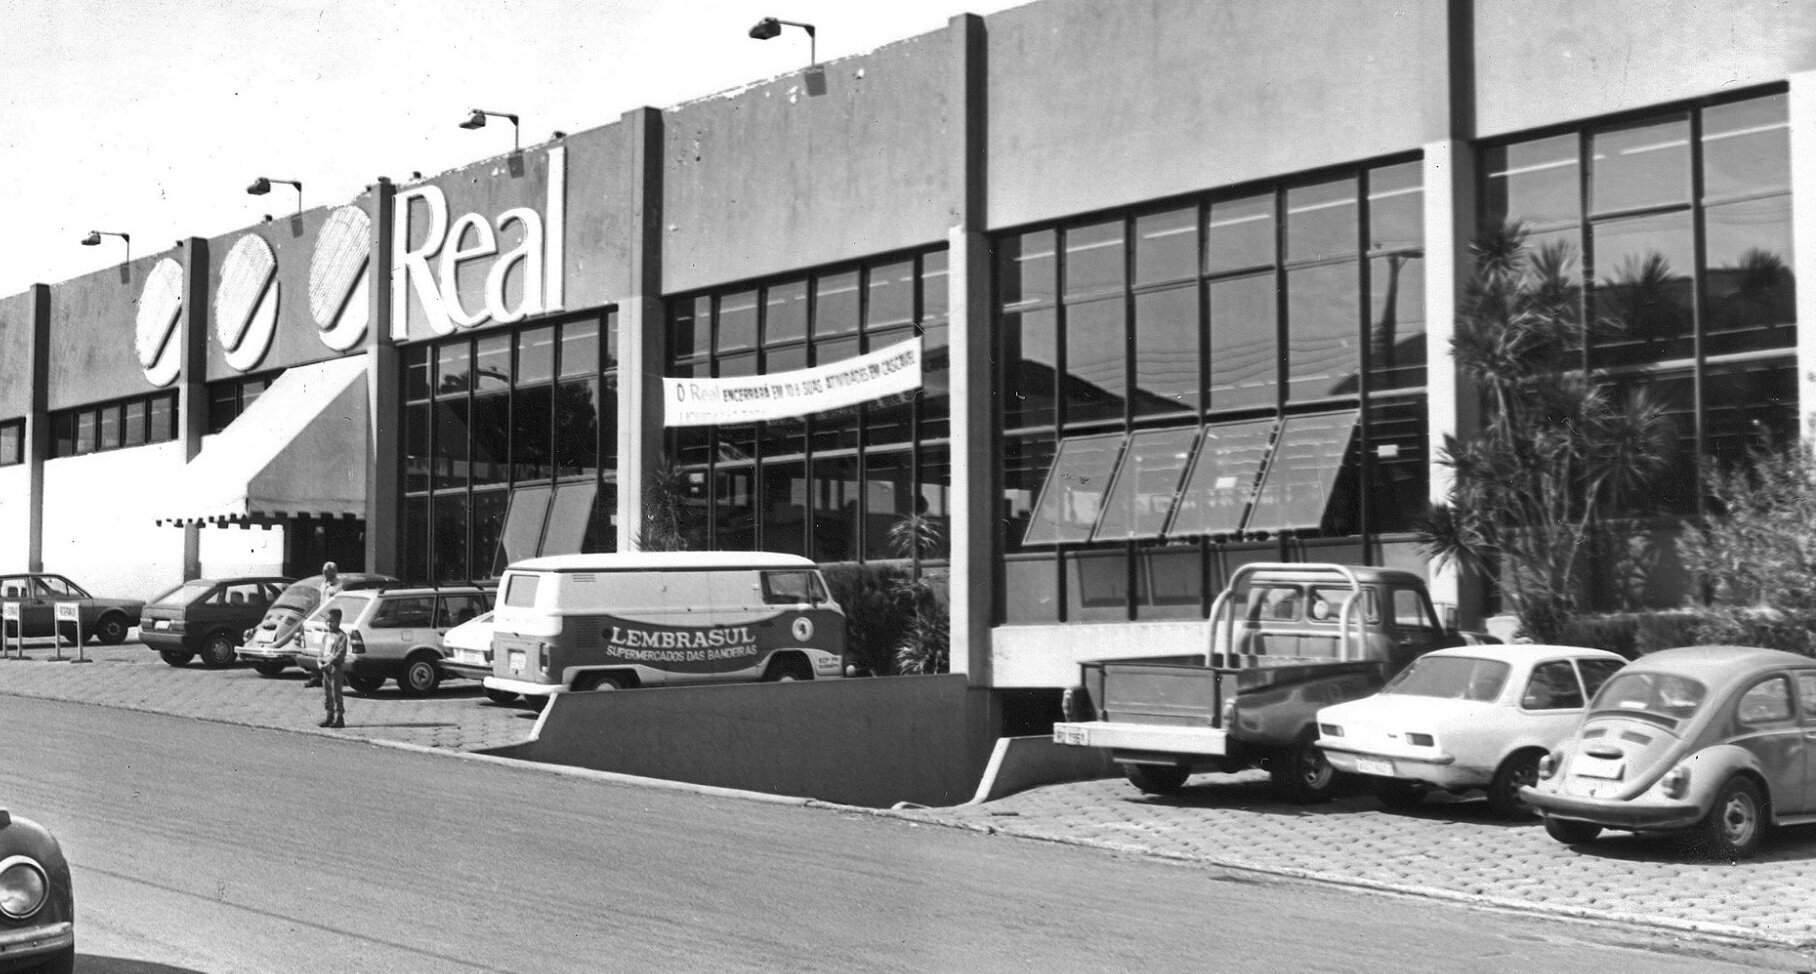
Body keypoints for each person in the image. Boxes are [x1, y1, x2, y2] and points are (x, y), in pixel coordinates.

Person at [300, 562, 343, 689]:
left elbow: (337, 604)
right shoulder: (323, 584)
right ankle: (315, 677)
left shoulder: (338, 586)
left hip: (332, 621)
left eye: (327, 572)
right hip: (322, 620)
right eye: (324, 572)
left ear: (333, 572)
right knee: (318, 649)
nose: (324, 574)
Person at [316, 607, 349, 729]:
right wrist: (319, 661)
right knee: (327, 693)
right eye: (327, 621)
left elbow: (340, 653)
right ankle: (329, 716)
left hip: (335, 668)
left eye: (332, 621)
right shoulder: (326, 636)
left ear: (339, 621)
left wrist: (329, 662)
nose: (329, 624)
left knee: (336, 693)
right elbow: (321, 651)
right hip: (326, 668)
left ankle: (339, 717)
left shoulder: (342, 636)